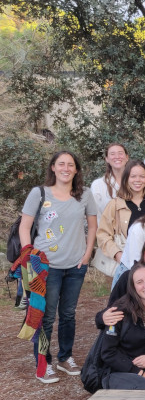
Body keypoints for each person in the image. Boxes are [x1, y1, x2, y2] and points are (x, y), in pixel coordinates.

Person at [19, 151, 98, 383]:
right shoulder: (39, 193)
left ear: (76, 169)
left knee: (68, 314)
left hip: (76, 266)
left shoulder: (85, 194)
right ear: (53, 167)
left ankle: (65, 358)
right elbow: (25, 227)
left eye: (70, 165)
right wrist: (29, 255)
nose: (66, 168)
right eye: (61, 164)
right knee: (45, 316)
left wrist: (87, 254)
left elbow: (92, 226)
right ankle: (43, 363)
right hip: (46, 267)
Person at [97, 261, 145, 390]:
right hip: (118, 371)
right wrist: (138, 372)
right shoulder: (119, 312)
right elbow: (108, 353)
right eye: (139, 282)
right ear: (133, 286)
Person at [97, 160, 145, 272]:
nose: (138, 180)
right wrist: (118, 255)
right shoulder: (115, 205)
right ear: (126, 178)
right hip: (127, 265)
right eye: (133, 176)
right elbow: (102, 234)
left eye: (142, 176)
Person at [90, 143, 130, 214]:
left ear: (127, 157)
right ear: (107, 159)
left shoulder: (136, 182)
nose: (117, 157)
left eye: (120, 153)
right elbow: (94, 213)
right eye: (112, 154)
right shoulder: (98, 185)